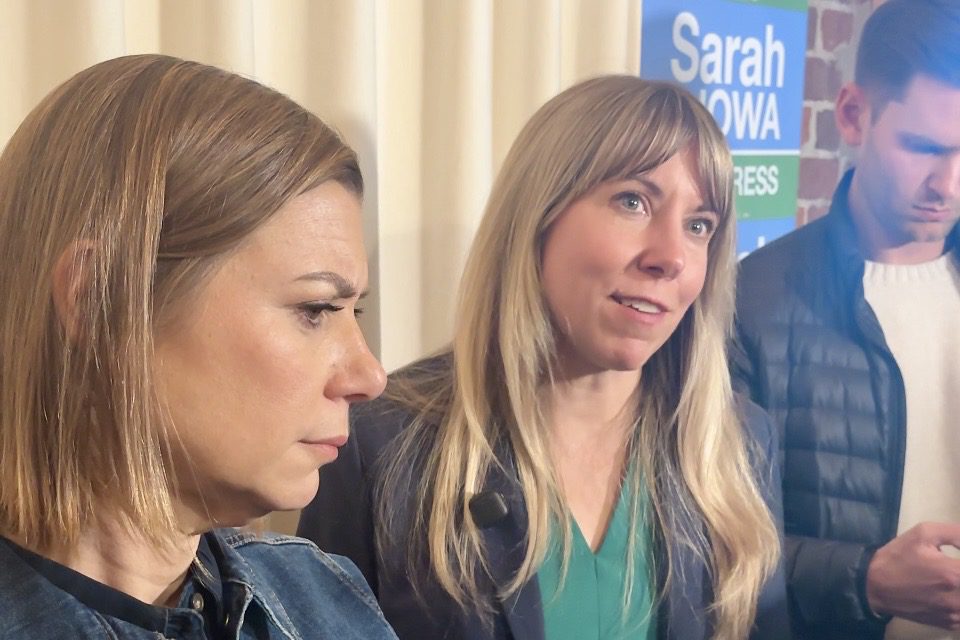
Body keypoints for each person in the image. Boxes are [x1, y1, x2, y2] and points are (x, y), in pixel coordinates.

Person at [300, 75, 789, 639]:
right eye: (633, 201)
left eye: (699, 225)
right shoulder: (380, 443)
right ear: (538, 217)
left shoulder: (739, 446)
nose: (671, 256)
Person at [0, 54, 395, 639]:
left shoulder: (324, 601)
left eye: (353, 311)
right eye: (315, 310)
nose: (369, 376)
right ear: (102, 303)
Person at [730, 1, 960, 638]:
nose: (950, 183)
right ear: (855, 115)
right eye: (924, 148)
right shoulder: (751, 302)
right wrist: (867, 578)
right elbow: (712, 543)